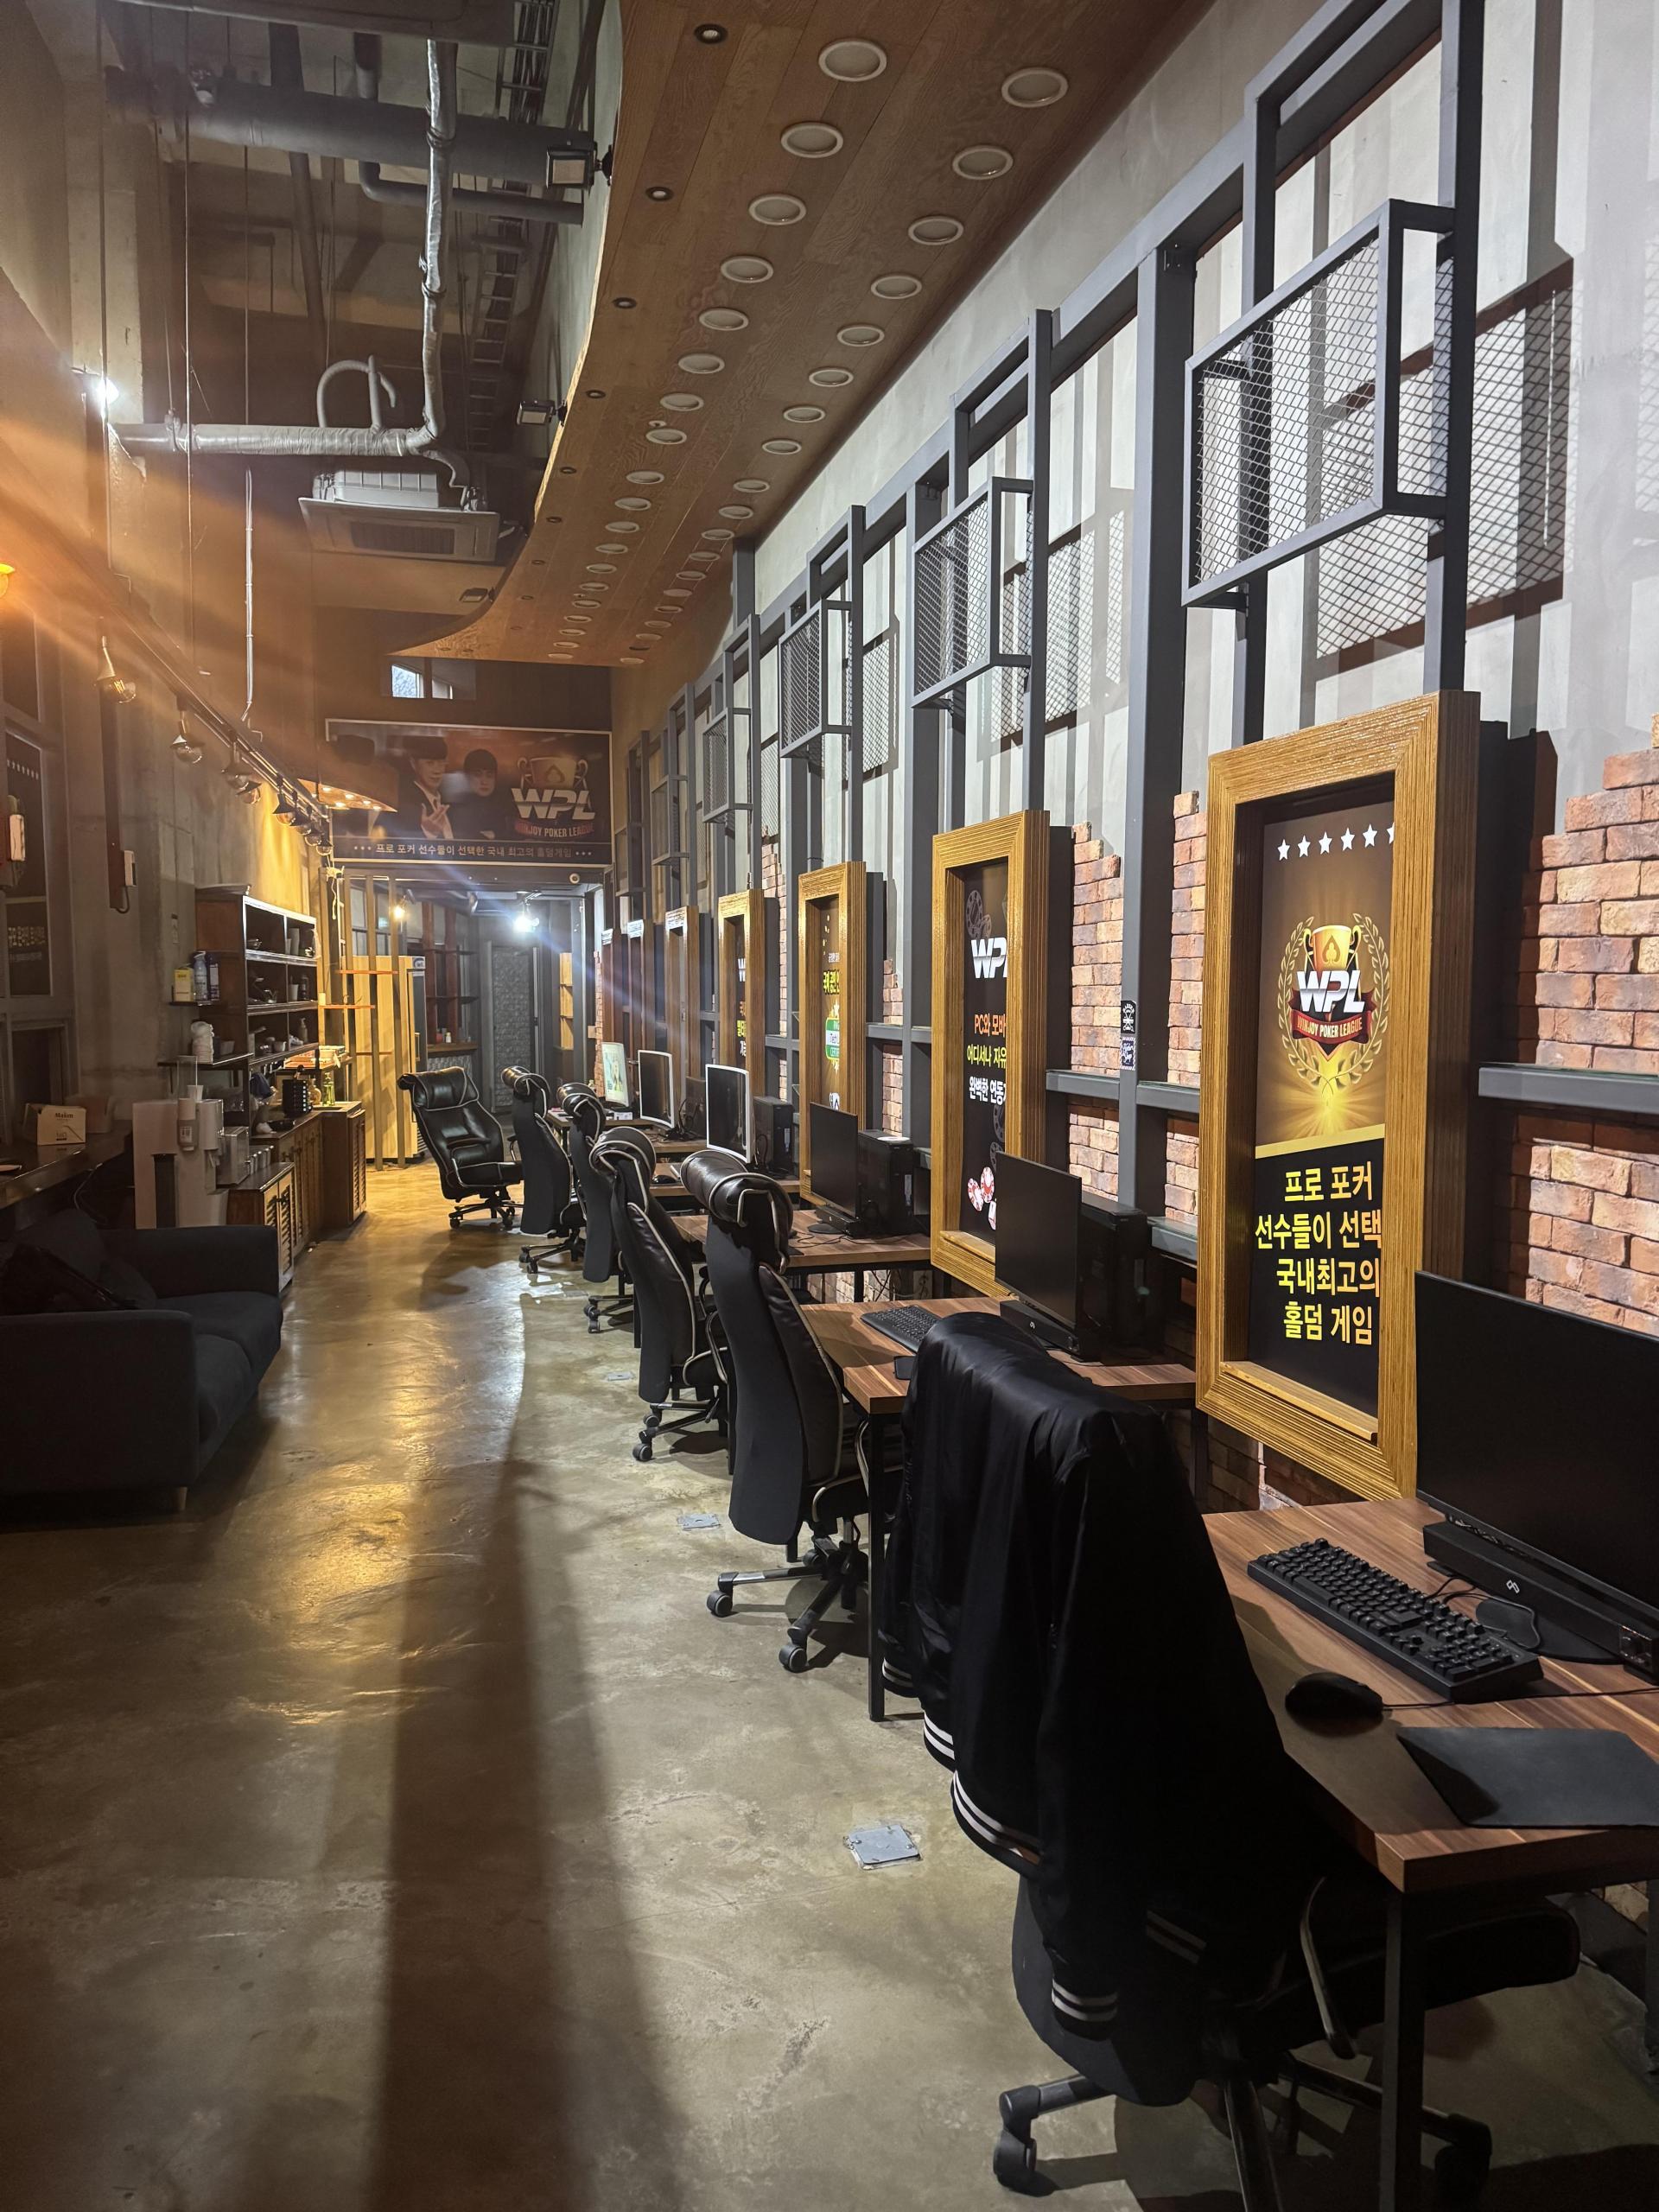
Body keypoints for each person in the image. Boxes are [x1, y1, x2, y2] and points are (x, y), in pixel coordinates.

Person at [389, 734, 453, 840]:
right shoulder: (402, 804)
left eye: (441, 763)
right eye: (430, 763)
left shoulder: (449, 803)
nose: (437, 770)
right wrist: (428, 833)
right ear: (414, 764)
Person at [448, 747, 519, 841]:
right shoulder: (456, 807)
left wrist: (494, 835)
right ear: (466, 777)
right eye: (478, 775)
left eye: (489, 775)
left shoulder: (506, 807)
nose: (484, 782)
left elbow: (516, 834)